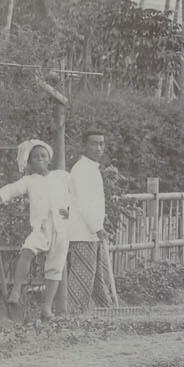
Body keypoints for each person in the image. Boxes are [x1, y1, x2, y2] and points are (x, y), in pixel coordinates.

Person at [0, 140, 73, 319]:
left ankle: (46, 309)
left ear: (49, 159)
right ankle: (15, 291)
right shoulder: (29, 180)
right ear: (29, 162)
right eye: (35, 157)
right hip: (41, 227)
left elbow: (78, 192)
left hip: (62, 227)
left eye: (43, 156)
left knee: (55, 268)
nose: (40, 159)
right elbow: (13, 189)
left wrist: (72, 211)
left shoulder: (62, 176)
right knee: (27, 250)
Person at [63, 129, 113, 314]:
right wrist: (97, 227)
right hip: (82, 231)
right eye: (93, 144)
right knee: (82, 274)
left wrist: (98, 227)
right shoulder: (81, 169)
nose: (98, 148)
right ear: (84, 146)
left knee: (97, 274)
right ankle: (74, 313)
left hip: (92, 231)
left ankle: (106, 309)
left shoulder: (92, 168)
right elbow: (84, 202)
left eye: (101, 144)